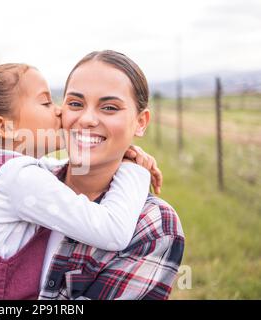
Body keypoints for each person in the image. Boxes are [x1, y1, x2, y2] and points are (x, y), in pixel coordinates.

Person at [0, 63, 161, 299]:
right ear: (5, 127)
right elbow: (112, 231)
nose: (60, 111)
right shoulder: (19, 178)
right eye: (46, 103)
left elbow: (42, 173)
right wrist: (134, 170)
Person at [38, 50, 184, 300]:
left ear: (140, 122)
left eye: (109, 107)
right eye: (75, 104)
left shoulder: (154, 226)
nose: (87, 119)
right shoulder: (27, 181)